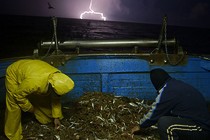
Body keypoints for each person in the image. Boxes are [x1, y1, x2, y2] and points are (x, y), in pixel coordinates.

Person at [4, 59, 74, 140]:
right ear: (51, 86)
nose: (57, 96)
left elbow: (55, 99)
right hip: (15, 73)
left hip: (32, 73)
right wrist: (30, 108)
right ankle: (12, 135)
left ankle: (45, 120)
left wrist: (56, 117)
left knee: (42, 99)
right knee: (14, 105)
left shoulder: (57, 78)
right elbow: (18, 95)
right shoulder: (35, 82)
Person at [131, 68, 210, 140]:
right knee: (166, 117)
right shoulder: (174, 85)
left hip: (201, 129)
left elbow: (155, 112)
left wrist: (140, 125)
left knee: (165, 124)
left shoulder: (167, 91)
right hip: (199, 122)